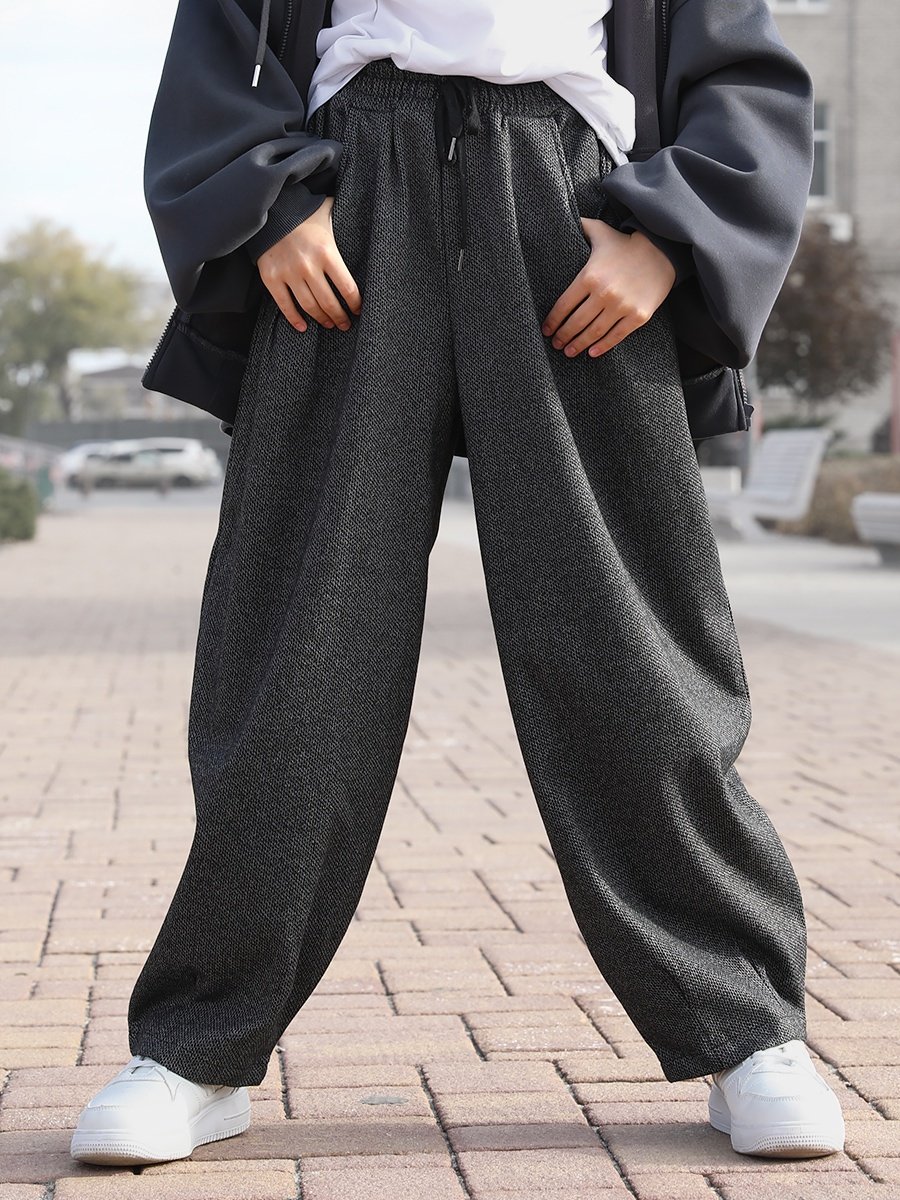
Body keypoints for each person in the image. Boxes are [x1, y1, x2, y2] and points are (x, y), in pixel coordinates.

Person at [70, 0, 846, 1168]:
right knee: (296, 653)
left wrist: (672, 234)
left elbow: (741, 69)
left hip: (574, 203)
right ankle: (198, 1047)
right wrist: (267, 206)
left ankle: (747, 1030)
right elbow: (220, 37)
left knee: (633, 647)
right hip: (346, 206)